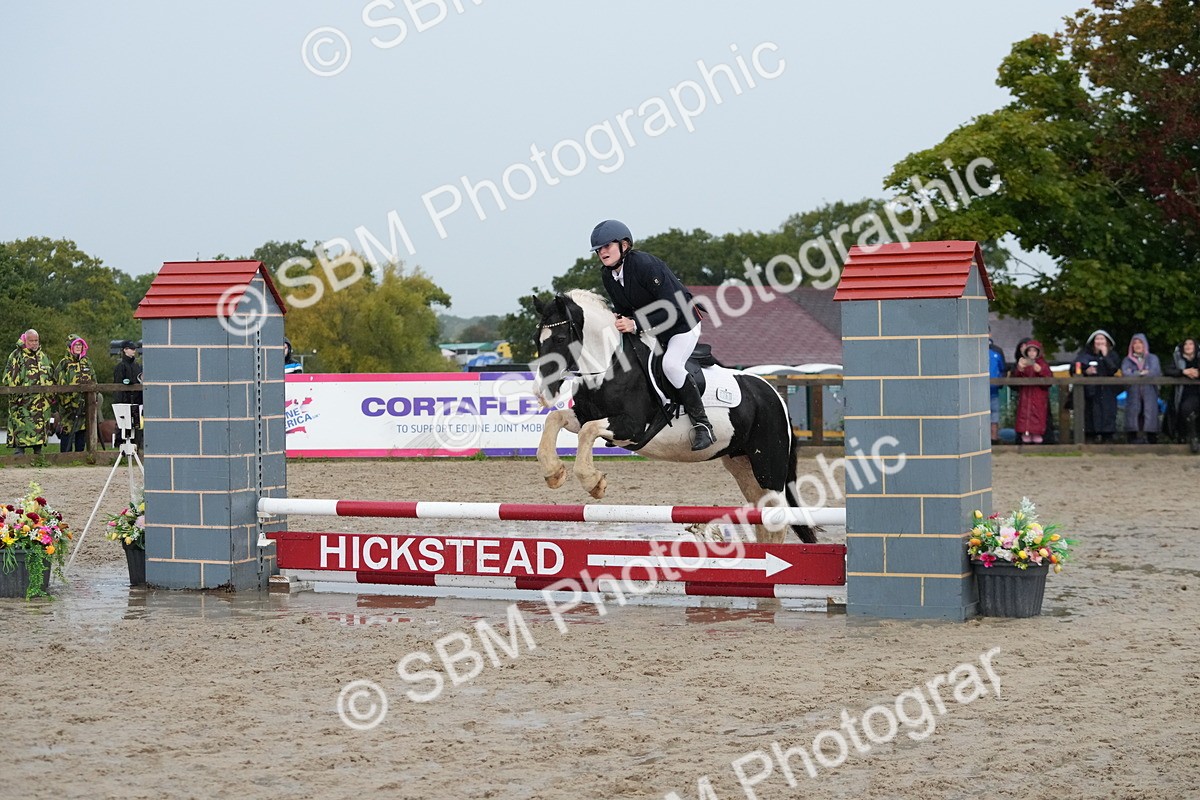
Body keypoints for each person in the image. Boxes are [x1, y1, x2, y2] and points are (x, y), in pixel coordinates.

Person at [590, 219, 713, 450]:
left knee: (671, 365)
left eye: (607, 246)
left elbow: (673, 307)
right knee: (627, 362)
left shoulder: (645, 265)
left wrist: (635, 323)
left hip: (682, 324)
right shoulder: (608, 275)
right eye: (598, 249)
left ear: (624, 245)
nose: (602, 252)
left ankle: (703, 425)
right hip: (654, 329)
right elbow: (625, 308)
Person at [3, 329, 54, 455]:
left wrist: (51, 396)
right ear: (25, 340)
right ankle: (19, 455)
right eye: (31, 340)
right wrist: (17, 396)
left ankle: (38, 454)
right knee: (21, 428)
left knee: (39, 431)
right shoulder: (16, 355)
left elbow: (52, 376)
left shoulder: (44, 357)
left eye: (36, 340)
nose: (34, 343)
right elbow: (8, 378)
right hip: (22, 403)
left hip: (41, 403)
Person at [1072, 330, 1122, 443]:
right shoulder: (1085, 355)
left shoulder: (1113, 355)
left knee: (1108, 415)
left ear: (1107, 342)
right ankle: (1089, 439)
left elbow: (1113, 369)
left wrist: (1105, 356)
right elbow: (1074, 368)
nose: (1099, 341)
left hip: (1107, 392)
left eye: (1102, 339)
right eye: (1097, 339)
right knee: (1090, 417)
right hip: (1091, 393)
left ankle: (1107, 439)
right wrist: (1086, 371)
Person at [52, 334, 96, 452]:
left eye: (80, 344)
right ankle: (65, 458)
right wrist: (67, 403)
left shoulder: (87, 362)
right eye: (75, 344)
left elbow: (93, 380)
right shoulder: (64, 363)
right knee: (67, 432)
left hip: (84, 406)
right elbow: (58, 384)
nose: (78, 347)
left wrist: (93, 399)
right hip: (68, 408)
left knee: (81, 432)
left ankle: (80, 457)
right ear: (70, 347)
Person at [1121, 333, 1161, 444]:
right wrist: (1140, 373)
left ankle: (1151, 439)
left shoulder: (1153, 358)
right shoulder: (1127, 360)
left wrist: (1134, 373)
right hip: (1133, 393)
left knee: (1149, 415)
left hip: (1149, 393)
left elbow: (1155, 372)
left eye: (1140, 342)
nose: (1138, 345)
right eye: (1135, 343)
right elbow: (1125, 373)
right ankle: (1133, 440)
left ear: (1145, 344)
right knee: (1134, 416)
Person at [1164, 337, 1199, 453]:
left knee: (1188, 408)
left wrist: (1197, 373)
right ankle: (1188, 438)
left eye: (1191, 344)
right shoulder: (1177, 359)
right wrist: (1183, 372)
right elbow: (1167, 370)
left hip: (1197, 394)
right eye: (1185, 344)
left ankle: (1193, 438)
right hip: (1181, 395)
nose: (1188, 346)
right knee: (1183, 410)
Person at [1012, 339, 1051, 444]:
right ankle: (1026, 438)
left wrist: (1040, 371)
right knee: (1025, 416)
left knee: (1038, 418)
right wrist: (1020, 369)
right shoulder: (1024, 363)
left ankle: (1037, 440)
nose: (1032, 353)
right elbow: (1016, 380)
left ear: (1038, 352)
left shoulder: (1043, 364)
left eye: (1034, 350)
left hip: (1038, 397)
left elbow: (1049, 381)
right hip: (1025, 397)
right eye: (1029, 350)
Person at [113, 339, 144, 449]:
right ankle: (120, 446)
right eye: (131, 348)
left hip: (137, 400)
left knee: (137, 425)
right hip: (125, 401)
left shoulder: (137, 366)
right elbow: (118, 385)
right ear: (125, 350)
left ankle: (136, 446)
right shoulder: (120, 366)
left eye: (134, 348)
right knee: (123, 425)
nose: (134, 350)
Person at [987, 333, 1006, 444]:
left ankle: (994, 439)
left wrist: (1000, 383)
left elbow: (1003, 369)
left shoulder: (997, 351)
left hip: (993, 391)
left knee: (994, 416)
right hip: (976, 393)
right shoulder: (972, 349)